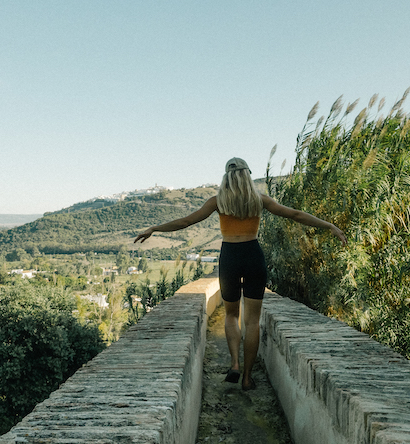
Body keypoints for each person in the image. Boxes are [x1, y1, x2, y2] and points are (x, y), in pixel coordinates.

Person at [133, 157, 346, 391]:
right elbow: (295, 214)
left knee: (231, 315)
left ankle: (234, 363)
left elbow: (186, 221)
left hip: (230, 258)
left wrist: (155, 228)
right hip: (253, 255)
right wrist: (329, 226)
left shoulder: (217, 201)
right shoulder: (259, 200)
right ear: (247, 175)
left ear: (226, 177)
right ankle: (246, 377)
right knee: (253, 321)